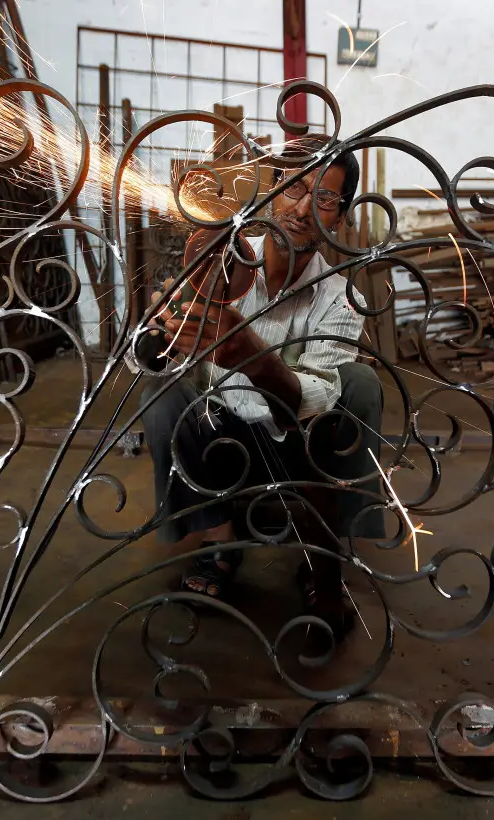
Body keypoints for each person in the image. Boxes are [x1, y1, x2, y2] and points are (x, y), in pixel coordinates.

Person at [135, 136, 384, 642]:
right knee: (161, 397)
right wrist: (161, 337)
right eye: (292, 188)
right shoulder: (219, 262)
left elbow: (313, 398)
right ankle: (221, 542)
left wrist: (255, 359)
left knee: (360, 384)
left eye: (325, 198)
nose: (302, 208)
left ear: (339, 217)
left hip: (298, 444)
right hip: (220, 435)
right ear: (270, 192)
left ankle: (325, 553)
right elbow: (153, 360)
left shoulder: (341, 297)